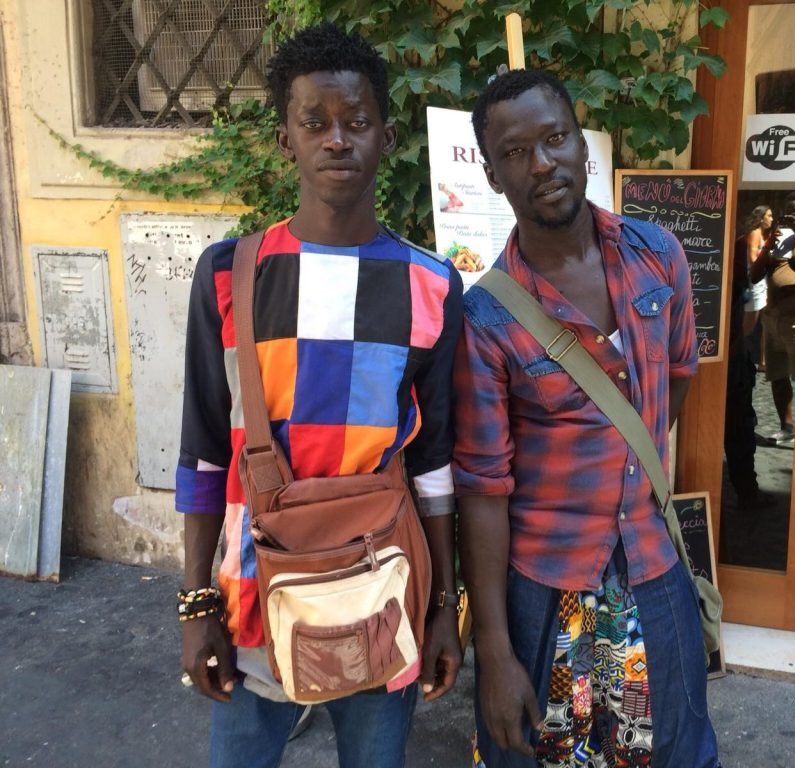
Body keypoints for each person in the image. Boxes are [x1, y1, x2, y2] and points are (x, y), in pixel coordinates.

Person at [174, 24, 462, 768]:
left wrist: (441, 611)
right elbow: (205, 453)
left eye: (357, 122)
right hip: (251, 601)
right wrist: (195, 603)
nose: (338, 140)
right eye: (316, 123)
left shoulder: (428, 286)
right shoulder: (229, 277)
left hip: (384, 590)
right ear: (285, 141)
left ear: (387, 137)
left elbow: (432, 466)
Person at [453, 69, 720, 768]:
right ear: (491, 175)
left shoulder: (658, 257)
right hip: (544, 591)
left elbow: (679, 384)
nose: (541, 163)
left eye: (555, 139)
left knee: (674, 756)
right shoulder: (485, 317)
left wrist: (624, 470)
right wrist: (497, 653)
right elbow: (483, 491)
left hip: (654, 574)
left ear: (584, 147)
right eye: (515, 153)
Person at [749, 191, 795, 448]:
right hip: (773, 316)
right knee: (777, 375)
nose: (792, 216)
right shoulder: (780, 237)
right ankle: (786, 426)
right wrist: (768, 246)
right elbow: (755, 274)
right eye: (788, 211)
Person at [724, 210, 775, 510]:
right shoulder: (739, 244)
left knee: (740, 426)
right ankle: (746, 492)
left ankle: (747, 491)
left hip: (732, 350)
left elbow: (749, 281)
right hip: (729, 352)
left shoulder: (734, 245)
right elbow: (749, 280)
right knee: (739, 427)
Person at [740, 204, 773, 338]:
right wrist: (769, 256)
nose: (772, 219)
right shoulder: (755, 233)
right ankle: (741, 350)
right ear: (761, 218)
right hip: (755, 282)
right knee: (750, 321)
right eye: (769, 216)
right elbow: (753, 258)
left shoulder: (762, 234)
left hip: (761, 281)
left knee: (761, 321)